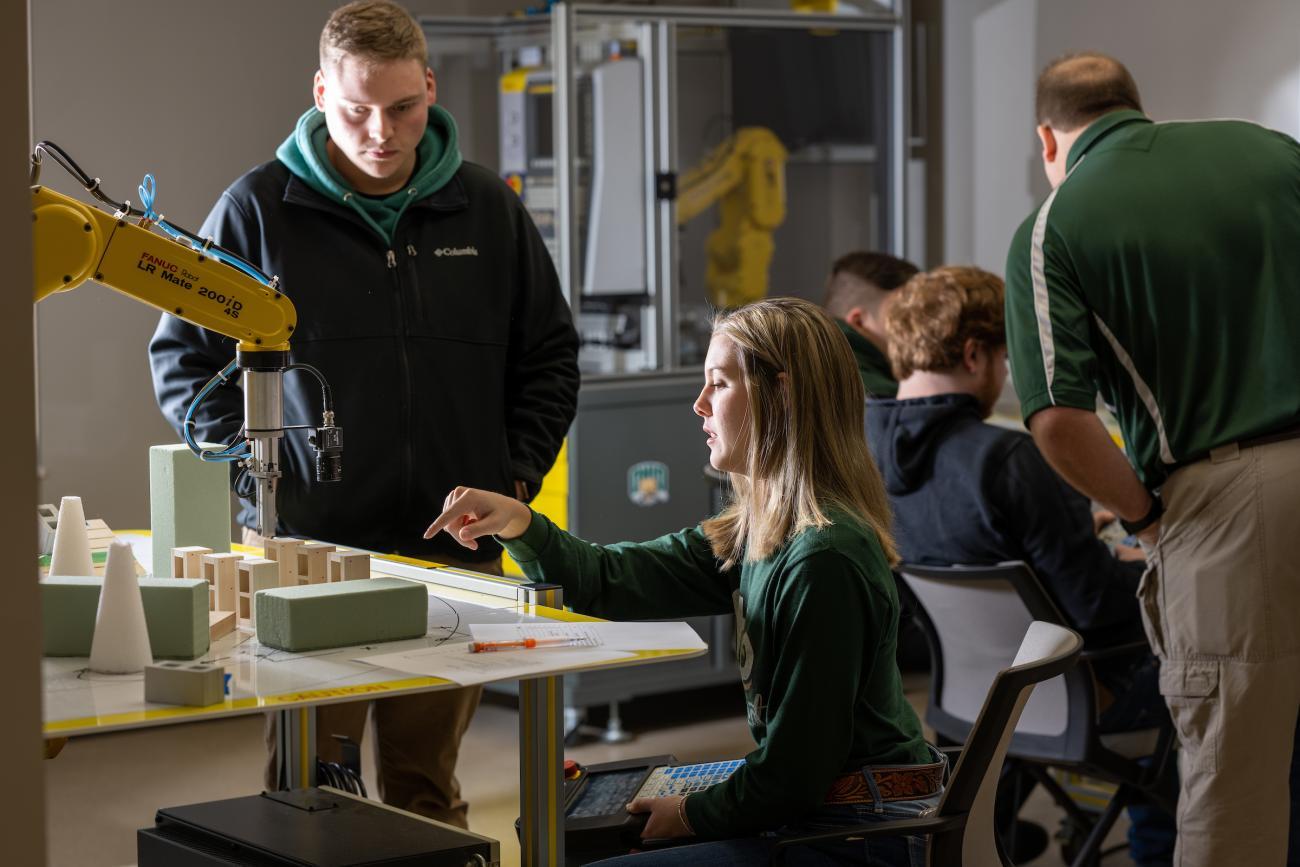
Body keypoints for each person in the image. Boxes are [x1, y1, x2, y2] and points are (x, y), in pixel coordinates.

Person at [148, 0, 579, 828]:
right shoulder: (255, 210)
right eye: (354, 110)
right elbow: (181, 361)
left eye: (403, 108)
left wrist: (513, 472)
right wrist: (257, 469)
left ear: (430, 85)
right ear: (319, 92)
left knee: (426, 796)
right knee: (315, 796)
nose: (380, 131)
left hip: (454, 559)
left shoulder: (487, 208)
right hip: (310, 565)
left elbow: (550, 357)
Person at [426, 298, 940, 865]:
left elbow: (794, 775)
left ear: (783, 394)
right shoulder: (758, 534)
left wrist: (692, 813)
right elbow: (608, 578)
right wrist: (518, 522)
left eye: (718, 384)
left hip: (861, 832)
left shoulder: (824, 559)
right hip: (822, 811)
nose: (698, 406)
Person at [1004, 51, 1300, 867]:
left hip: (1232, 501)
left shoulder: (1054, 224)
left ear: (1048, 139)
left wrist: (1145, 516)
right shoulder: (1273, 151)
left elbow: (1059, 420)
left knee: (1230, 781)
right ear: (1135, 107)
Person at [866, 265, 1175, 866]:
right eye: (1006, 360)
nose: (1006, 373)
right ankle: (1158, 851)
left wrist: (1063, 536)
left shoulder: (863, 457)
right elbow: (1097, 607)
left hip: (969, 703)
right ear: (976, 354)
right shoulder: (1008, 459)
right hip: (1073, 695)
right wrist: (1153, 562)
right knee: (1222, 678)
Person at [822, 251, 919, 398]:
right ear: (859, 322)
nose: (921, 326)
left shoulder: (810, 372)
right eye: (904, 315)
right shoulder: (884, 399)